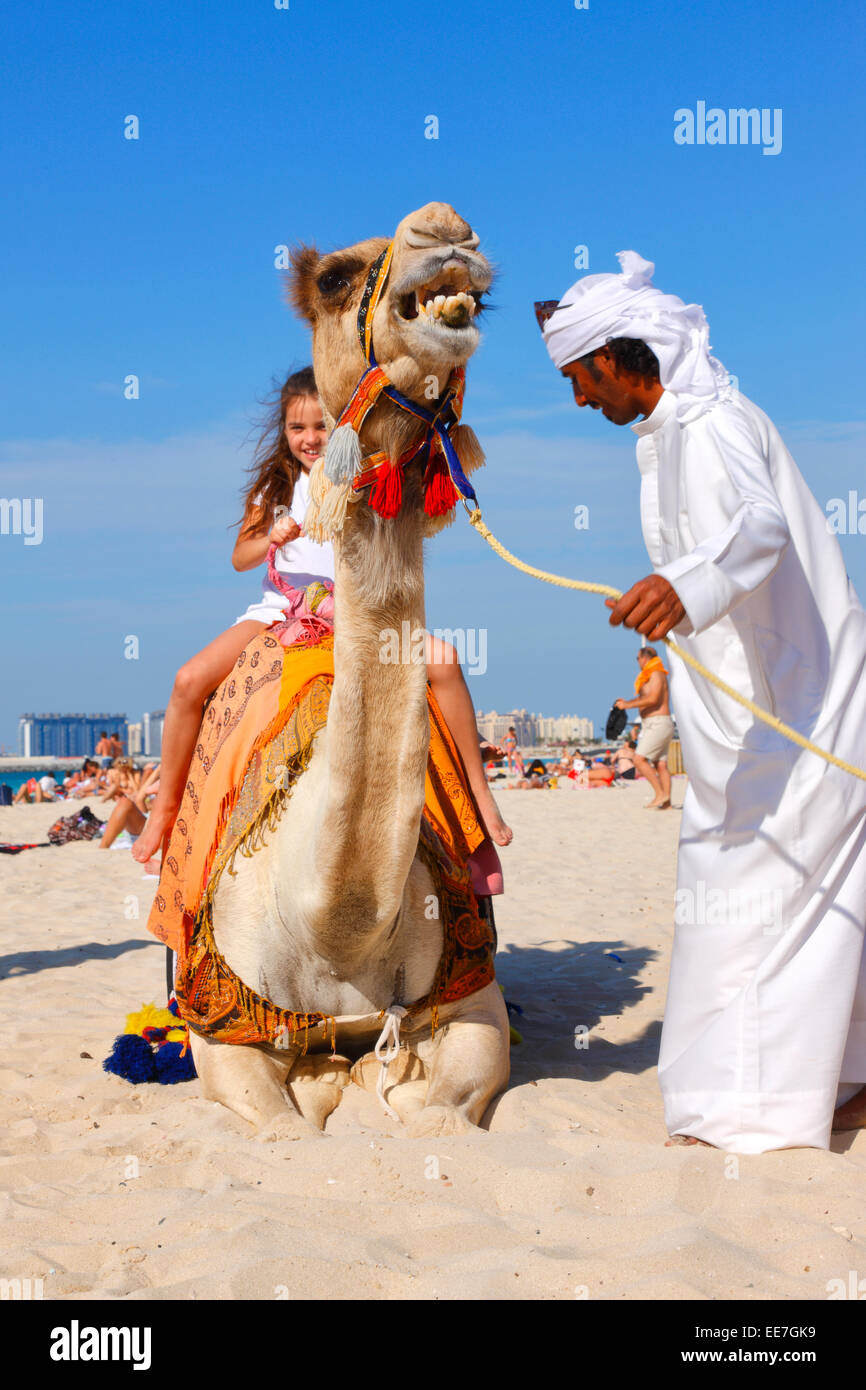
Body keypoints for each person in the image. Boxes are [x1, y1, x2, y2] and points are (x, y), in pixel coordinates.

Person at [538, 249, 866, 1153]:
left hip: (801, 709)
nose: (575, 401)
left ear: (615, 358)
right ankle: (840, 1082)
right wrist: (678, 593)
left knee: (756, 899)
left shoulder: (715, 423)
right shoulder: (674, 429)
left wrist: (687, 587)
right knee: (780, 896)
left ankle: (750, 1111)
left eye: (577, 379)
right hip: (750, 711)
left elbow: (756, 529)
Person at [131, 367, 512, 865]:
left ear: (341, 426)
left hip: (353, 612)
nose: (309, 439)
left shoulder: (367, 479)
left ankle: (479, 794)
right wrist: (272, 535)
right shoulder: (274, 488)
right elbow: (239, 557)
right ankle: (165, 808)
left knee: (446, 661)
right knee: (187, 681)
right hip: (280, 609)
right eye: (297, 428)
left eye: (320, 427)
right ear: (284, 432)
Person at [614, 647, 674, 808]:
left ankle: (660, 794)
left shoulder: (656, 674)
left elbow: (653, 699)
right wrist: (625, 702)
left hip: (658, 722)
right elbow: (644, 697)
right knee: (660, 764)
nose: (637, 662)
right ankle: (666, 802)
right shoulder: (649, 675)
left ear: (644, 658)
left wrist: (627, 705)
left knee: (638, 759)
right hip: (652, 724)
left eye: (637, 658)